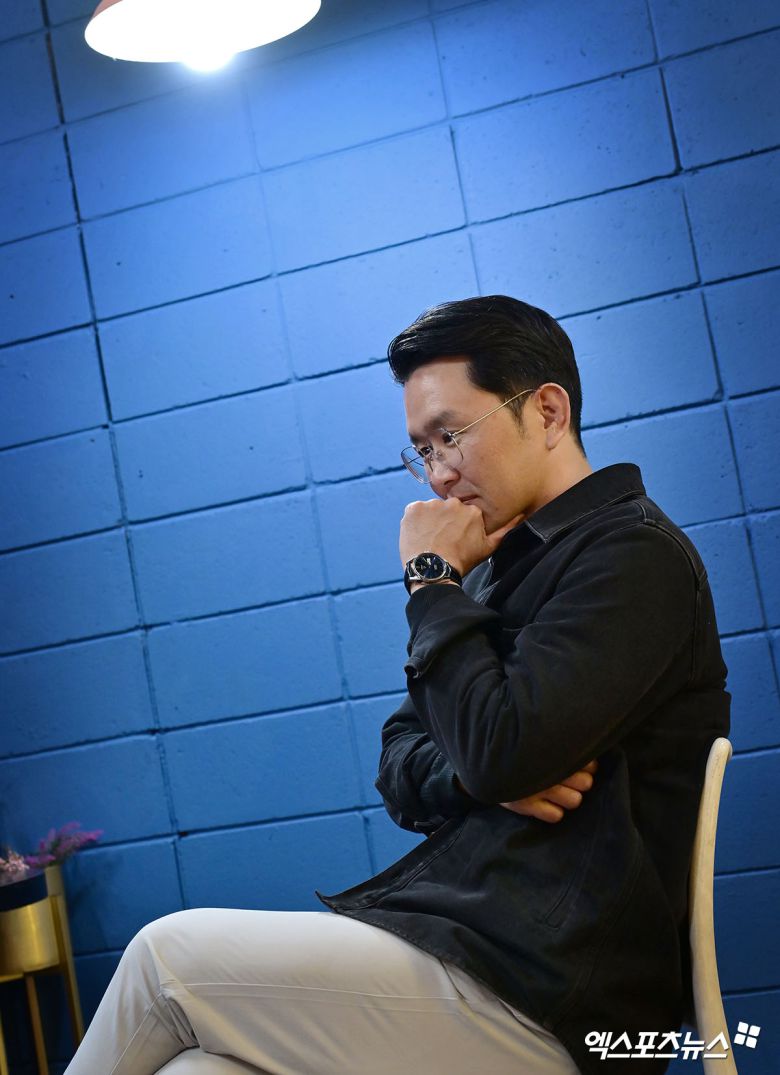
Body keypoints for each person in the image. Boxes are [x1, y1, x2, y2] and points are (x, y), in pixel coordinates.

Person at [64, 296, 729, 1075]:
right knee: (196, 1072)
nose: (439, 472)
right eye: (421, 448)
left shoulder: (631, 556)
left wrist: (432, 581)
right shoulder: (495, 572)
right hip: (471, 956)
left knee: (162, 958)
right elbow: (402, 758)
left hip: (556, 997)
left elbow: (499, 748)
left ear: (548, 412)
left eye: (452, 434)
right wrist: (477, 776)